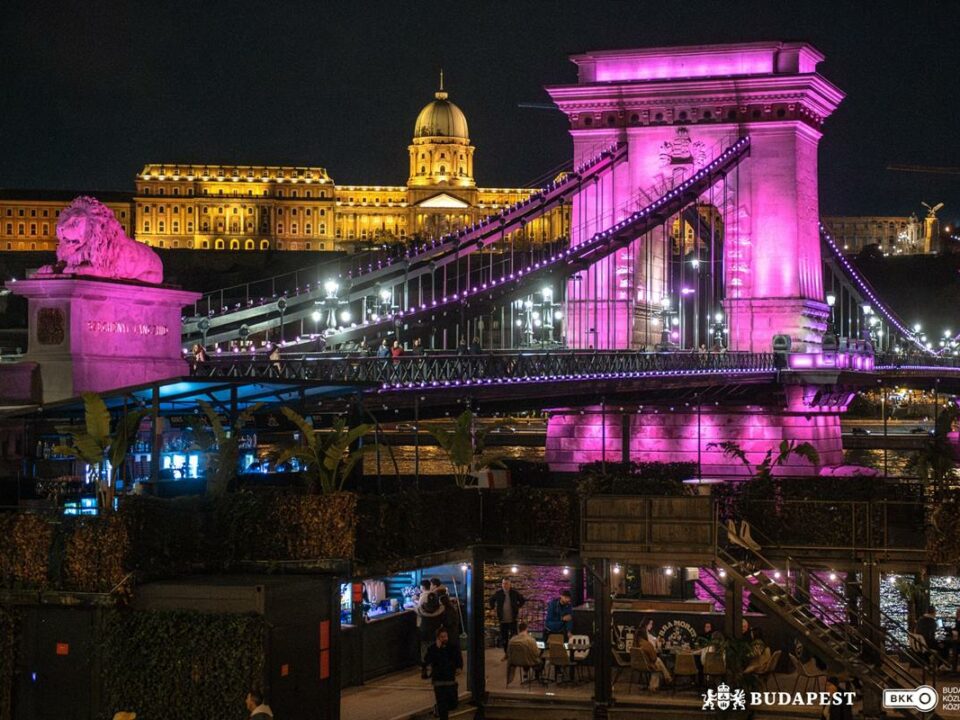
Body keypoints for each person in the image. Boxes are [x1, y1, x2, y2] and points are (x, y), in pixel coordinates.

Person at [424, 627, 462, 720]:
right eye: (442, 637)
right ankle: (440, 711)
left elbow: (458, 658)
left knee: (453, 704)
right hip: (438, 679)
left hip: (450, 678)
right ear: (438, 638)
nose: (444, 638)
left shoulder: (452, 647)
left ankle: (437, 707)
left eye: (445, 636)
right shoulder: (432, 648)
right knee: (442, 705)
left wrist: (459, 667)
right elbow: (427, 660)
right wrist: (437, 649)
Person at [489, 578, 526, 657]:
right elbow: (491, 600)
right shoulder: (498, 593)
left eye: (506, 583)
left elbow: (522, 600)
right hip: (502, 620)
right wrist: (492, 608)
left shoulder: (514, 593)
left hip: (513, 619)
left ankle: (514, 654)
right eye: (503, 583)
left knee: (514, 638)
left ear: (510, 584)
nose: (504, 585)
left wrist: (518, 607)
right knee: (504, 638)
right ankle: (506, 654)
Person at [417, 580, 444, 679]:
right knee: (434, 648)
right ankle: (434, 669)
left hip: (424, 629)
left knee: (424, 649)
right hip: (434, 629)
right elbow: (441, 609)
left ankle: (424, 669)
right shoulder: (438, 604)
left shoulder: (422, 603)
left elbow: (418, 610)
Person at [636, 626, 672, 690]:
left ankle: (655, 685)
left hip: (640, 664)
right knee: (657, 662)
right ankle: (667, 678)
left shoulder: (637, 643)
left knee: (658, 663)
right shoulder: (647, 644)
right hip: (649, 664)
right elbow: (653, 658)